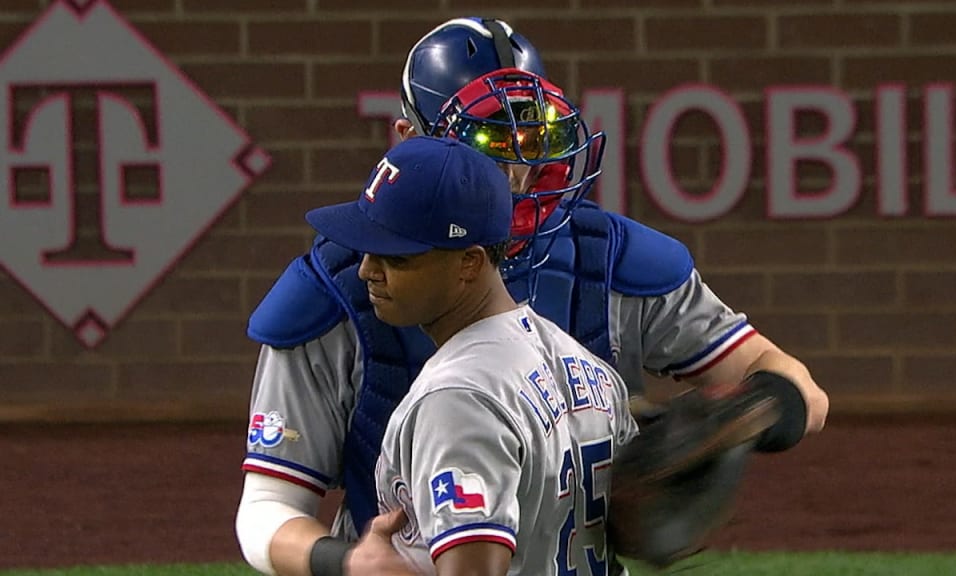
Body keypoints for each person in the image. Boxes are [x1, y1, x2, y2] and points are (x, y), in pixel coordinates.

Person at [235, 16, 829, 576]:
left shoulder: (610, 261)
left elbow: (794, 385)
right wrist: (346, 562)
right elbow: (264, 508)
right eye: (486, 138)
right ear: (407, 139)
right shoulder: (337, 290)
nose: (516, 165)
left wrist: (744, 415)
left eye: (529, 134)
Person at [302, 135, 638, 575]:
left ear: (470, 263)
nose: (367, 270)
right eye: (367, 249)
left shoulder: (458, 398)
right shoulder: (587, 368)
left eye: (396, 258)